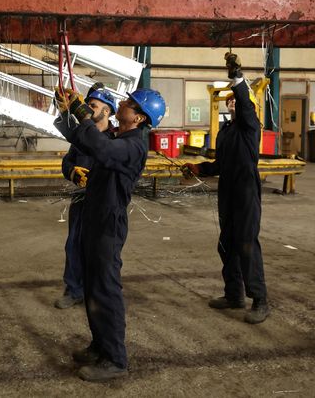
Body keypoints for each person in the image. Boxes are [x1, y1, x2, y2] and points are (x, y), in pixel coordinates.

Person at [54, 85, 166, 382]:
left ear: (140, 118)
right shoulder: (119, 136)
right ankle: (99, 345)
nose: (124, 103)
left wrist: (81, 112)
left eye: (130, 102)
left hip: (108, 223)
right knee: (92, 286)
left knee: (105, 289)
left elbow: (100, 149)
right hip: (95, 216)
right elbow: (85, 141)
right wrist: (66, 111)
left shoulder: (133, 145)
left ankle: (115, 359)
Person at [182, 52, 269, 325]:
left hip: (245, 190)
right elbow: (220, 163)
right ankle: (233, 294)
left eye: (236, 99)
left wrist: (237, 79)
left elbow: (245, 103)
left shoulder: (250, 126)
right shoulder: (227, 132)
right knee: (226, 244)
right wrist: (198, 168)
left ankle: (260, 299)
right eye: (228, 99)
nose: (232, 102)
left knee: (246, 243)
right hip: (228, 190)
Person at [55, 83, 118, 309]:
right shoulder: (82, 135)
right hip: (81, 200)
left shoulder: (115, 140)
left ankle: (99, 291)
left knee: (102, 250)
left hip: (104, 203)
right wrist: (72, 171)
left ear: (107, 111)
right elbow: (67, 161)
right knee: (74, 244)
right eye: (87, 106)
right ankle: (74, 289)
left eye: (93, 106)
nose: (89, 110)